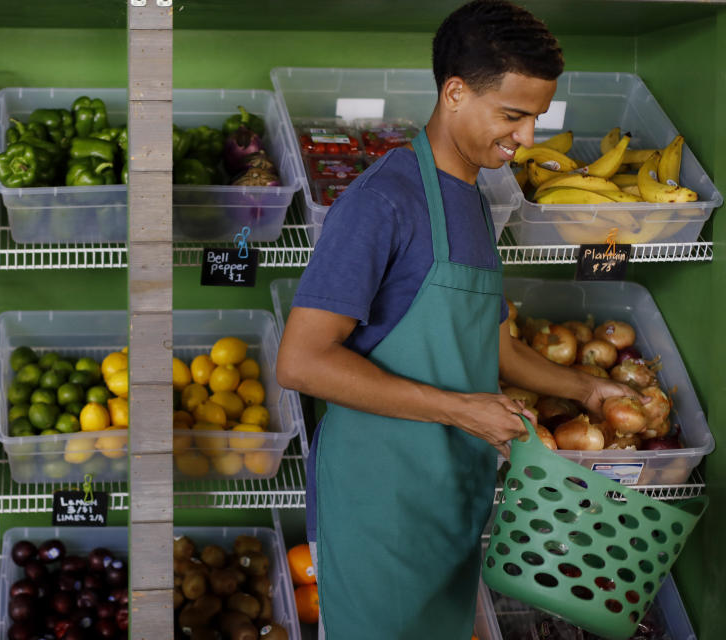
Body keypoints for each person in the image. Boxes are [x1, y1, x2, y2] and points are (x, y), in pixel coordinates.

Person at [276, 1, 645, 637]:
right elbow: (301, 362)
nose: (527, 137)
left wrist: (591, 389)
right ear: (454, 93)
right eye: (513, 115)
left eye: (536, 117)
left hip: (450, 492)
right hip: (381, 499)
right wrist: (459, 409)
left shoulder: (473, 202)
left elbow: (495, 349)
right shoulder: (382, 202)